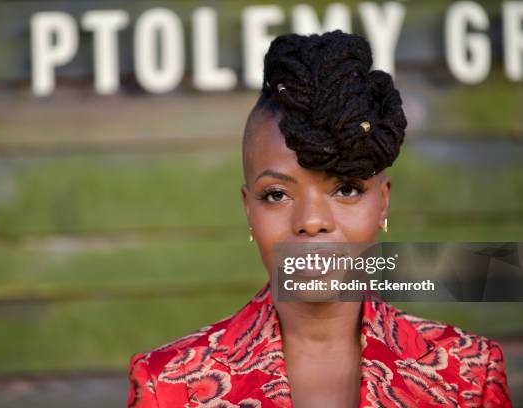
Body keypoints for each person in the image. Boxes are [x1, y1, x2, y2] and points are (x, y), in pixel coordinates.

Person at [127, 30, 512, 407]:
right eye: (276, 195)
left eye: (346, 189)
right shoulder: (170, 385)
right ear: (249, 210)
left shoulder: (467, 377)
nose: (312, 221)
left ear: (383, 203)